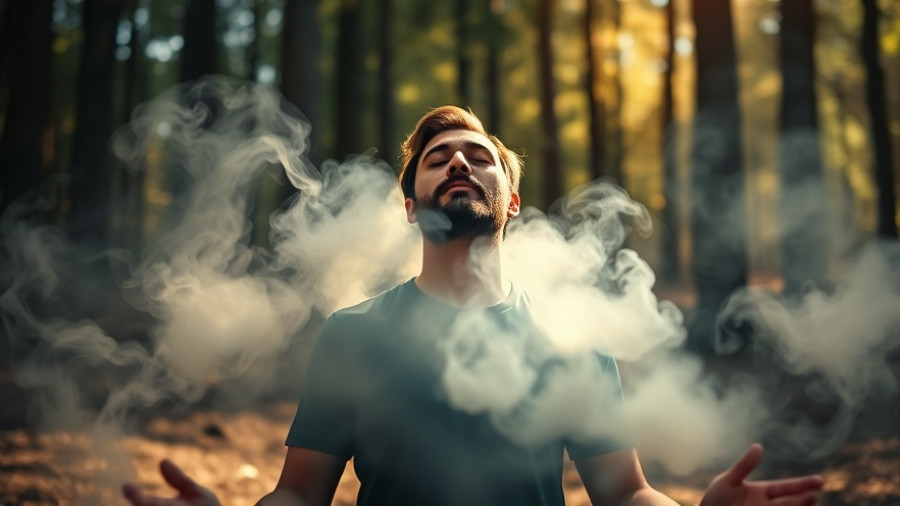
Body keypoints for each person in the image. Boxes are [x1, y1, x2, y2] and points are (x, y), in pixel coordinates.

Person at [123, 106, 824, 506]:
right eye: (438, 159)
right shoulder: (353, 335)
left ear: (511, 203)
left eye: (478, 157)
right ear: (410, 208)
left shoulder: (573, 339)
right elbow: (300, 497)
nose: (459, 162)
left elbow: (625, 494)